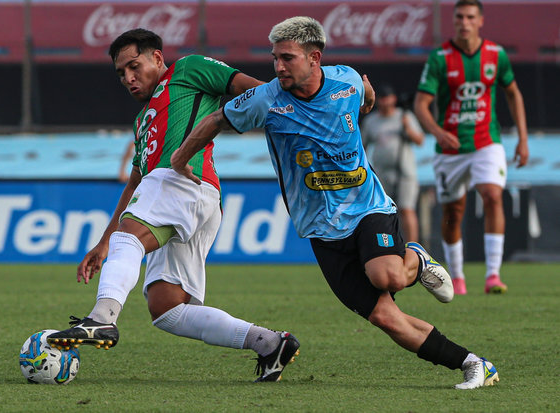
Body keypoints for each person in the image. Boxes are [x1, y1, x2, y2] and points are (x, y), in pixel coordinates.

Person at [171, 16, 499, 390]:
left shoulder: (346, 81)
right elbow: (216, 119)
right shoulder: (266, 99)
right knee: (387, 319)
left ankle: (415, 259)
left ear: (315, 57)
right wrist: (180, 158)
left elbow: (367, 96)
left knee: (386, 276)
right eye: (274, 57)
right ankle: (474, 363)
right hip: (320, 230)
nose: (278, 66)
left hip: (367, 207)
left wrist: (369, 103)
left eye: (287, 58)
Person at [47, 28, 300, 383]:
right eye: (121, 74)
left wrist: (293, 115)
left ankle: (103, 319)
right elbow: (137, 180)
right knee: (168, 309)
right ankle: (271, 343)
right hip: (195, 198)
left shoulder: (189, 69)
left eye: (134, 66)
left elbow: (256, 89)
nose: (129, 78)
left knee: (130, 239)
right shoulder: (142, 121)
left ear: (156, 58)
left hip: (183, 181)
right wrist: (106, 240)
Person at [414, 0, 529, 295]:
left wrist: (523, 138)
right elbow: (421, 104)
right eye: (460, 17)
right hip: (450, 148)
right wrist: (438, 133)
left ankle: (493, 275)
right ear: (454, 20)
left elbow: (513, 93)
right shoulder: (440, 57)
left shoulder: (495, 54)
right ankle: (458, 276)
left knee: (492, 195)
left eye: (470, 17)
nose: (464, 22)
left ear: (480, 21)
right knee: (453, 212)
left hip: (486, 141)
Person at [361, 84, 425, 242]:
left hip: (405, 171)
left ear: (393, 99)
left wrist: (407, 128)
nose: (384, 102)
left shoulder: (404, 116)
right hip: (382, 172)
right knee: (384, 211)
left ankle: (413, 248)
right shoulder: (371, 121)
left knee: (406, 209)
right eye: (381, 98)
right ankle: (389, 247)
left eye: (387, 98)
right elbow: (362, 146)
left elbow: (420, 140)